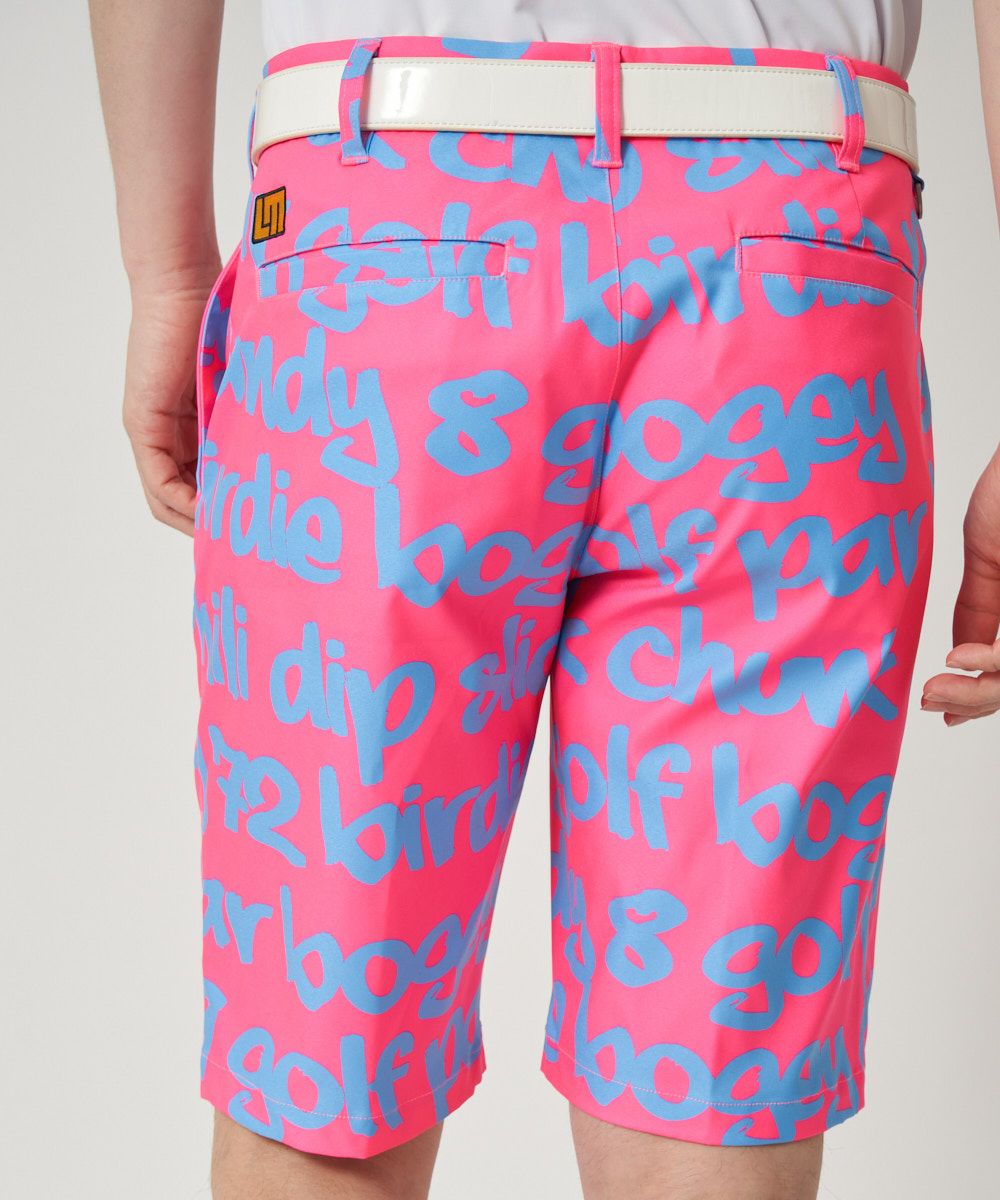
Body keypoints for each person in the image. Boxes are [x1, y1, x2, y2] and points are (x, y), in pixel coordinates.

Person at [87, 3, 1000, 1198]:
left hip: (383, 241)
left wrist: (167, 273)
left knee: (324, 1067)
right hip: (793, 254)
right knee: (708, 1080)